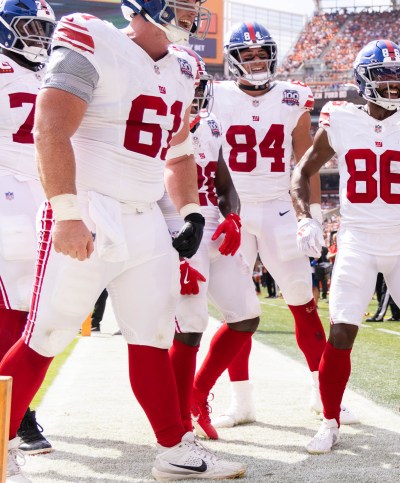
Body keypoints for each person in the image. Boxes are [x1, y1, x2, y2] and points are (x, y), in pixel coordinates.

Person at [1, 1, 246, 480]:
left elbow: (178, 155)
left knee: (152, 335)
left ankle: (175, 449)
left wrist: (191, 213)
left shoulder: (184, 68)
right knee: (46, 333)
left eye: (194, 6)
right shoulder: (92, 36)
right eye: (180, 4)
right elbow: (50, 126)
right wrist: (68, 212)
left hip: (144, 217)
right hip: (91, 208)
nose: (191, 14)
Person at [291, 39, 400, 455]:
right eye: (382, 76)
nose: (391, 84)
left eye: (398, 77)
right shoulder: (341, 119)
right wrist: (305, 218)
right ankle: (329, 421)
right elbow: (302, 172)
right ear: (363, 80)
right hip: (358, 239)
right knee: (342, 331)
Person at [190, 21, 357, 432]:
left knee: (302, 301)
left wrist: (312, 216)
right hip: (232, 209)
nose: (256, 61)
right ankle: (240, 400)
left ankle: (324, 398)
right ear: (232, 61)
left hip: (281, 207)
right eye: (246, 55)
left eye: (261, 54)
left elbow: (306, 162)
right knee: (238, 311)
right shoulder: (215, 94)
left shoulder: (292, 96)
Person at [157, 46, 261, 440]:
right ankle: (179, 418)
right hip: (177, 226)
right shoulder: (156, 118)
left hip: (215, 227)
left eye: (198, 85)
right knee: (190, 325)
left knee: (246, 316)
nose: (194, 92)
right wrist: (168, 245)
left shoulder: (212, 125)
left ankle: (197, 396)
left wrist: (233, 214)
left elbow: (224, 183)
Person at [0, 0, 56, 455]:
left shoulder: (54, 73)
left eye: (43, 29)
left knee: (33, 314)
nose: (38, 38)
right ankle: (16, 419)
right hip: (6, 194)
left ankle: (17, 412)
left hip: (42, 195)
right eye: (29, 28)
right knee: (12, 315)